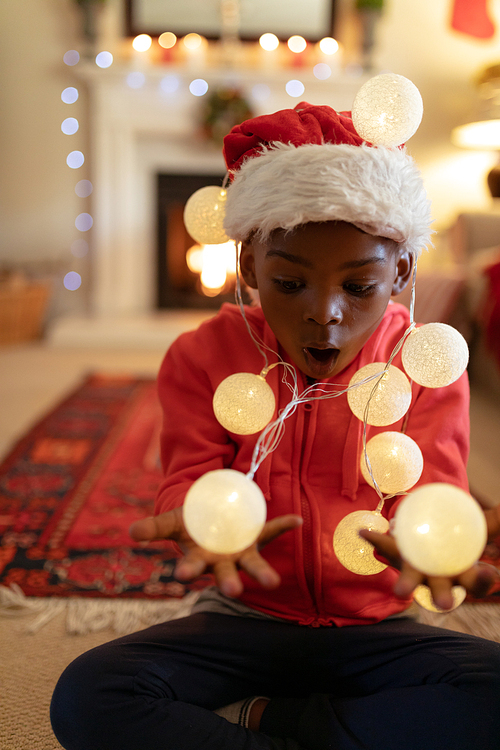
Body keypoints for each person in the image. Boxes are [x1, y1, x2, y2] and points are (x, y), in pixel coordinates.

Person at [50, 85, 500, 750]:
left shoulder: (427, 364)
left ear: (402, 268)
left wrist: (431, 542)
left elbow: (435, 486)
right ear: (249, 264)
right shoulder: (203, 357)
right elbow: (190, 473)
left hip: (378, 628)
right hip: (243, 618)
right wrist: (194, 518)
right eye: (291, 283)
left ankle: (271, 723)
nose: (326, 311)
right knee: (90, 695)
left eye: (359, 285)